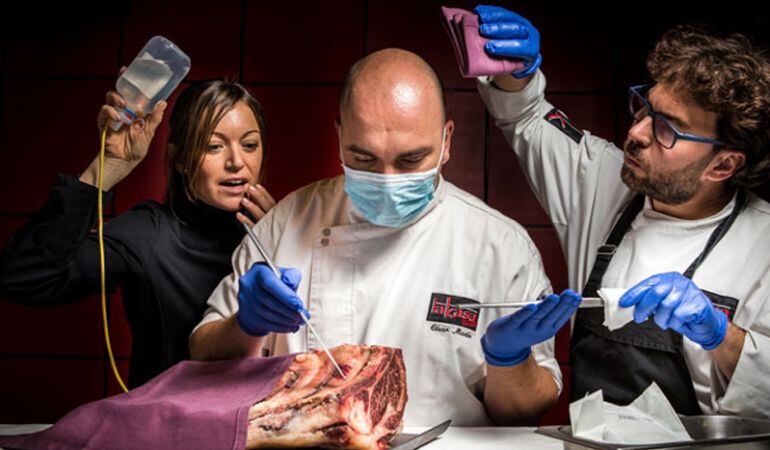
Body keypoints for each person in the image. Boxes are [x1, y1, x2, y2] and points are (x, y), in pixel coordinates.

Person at [189, 48, 581, 427]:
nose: (388, 180)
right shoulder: (285, 222)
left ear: (446, 141)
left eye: (411, 160)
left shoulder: (501, 246)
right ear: (340, 136)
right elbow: (202, 357)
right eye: (364, 159)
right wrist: (246, 325)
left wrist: (508, 360)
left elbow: (523, 412)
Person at [469, 4, 770, 417]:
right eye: (646, 107)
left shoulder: (764, 245)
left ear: (723, 165)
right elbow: (525, 117)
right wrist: (513, 70)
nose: (636, 132)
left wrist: (719, 335)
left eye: (667, 127)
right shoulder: (603, 179)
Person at [0, 78, 277, 387]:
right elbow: (22, 278)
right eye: (214, 146)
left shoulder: (279, 226)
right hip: (163, 425)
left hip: (259, 425)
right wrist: (106, 168)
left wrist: (281, 242)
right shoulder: (147, 233)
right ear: (181, 159)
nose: (237, 162)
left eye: (250, 145)